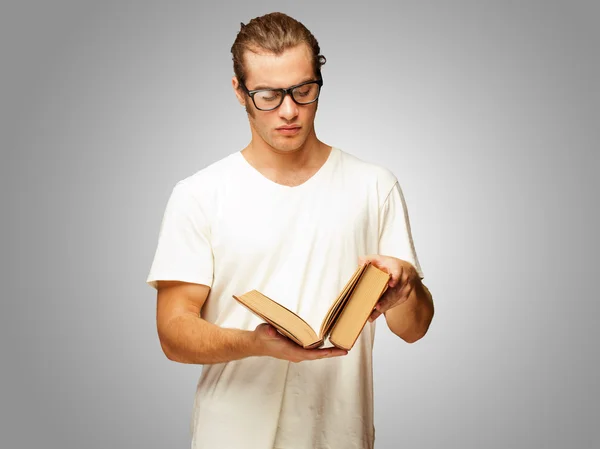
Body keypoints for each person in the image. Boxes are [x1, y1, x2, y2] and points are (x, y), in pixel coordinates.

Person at [146, 11, 434, 449]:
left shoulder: (374, 186)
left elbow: (413, 329)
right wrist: (257, 343)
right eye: (267, 95)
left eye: (303, 91)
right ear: (238, 92)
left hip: (340, 433)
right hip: (230, 436)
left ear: (319, 82)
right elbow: (173, 334)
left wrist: (405, 287)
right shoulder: (199, 194)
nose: (288, 110)